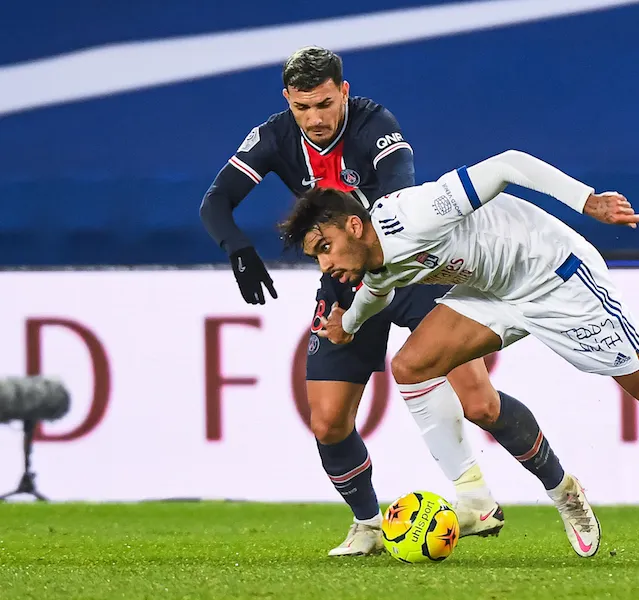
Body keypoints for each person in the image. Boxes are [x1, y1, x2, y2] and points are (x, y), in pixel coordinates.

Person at [278, 149, 639, 549]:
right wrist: (346, 327)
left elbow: (507, 165)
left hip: (557, 278)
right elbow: (375, 293)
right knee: (412, 365)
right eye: (315, 257)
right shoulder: (373, 260)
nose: (325, 263)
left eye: (324, 248)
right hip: (494, 293)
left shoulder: (414, 213)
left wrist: (586, 200)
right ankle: (508, 495)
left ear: (355, 223)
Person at [200, 48, 592, 557]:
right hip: (344, 279)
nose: (315, 119)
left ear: (342, 91)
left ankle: (562, 490)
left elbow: (398, 197)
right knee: (327, 421)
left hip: (407, 272)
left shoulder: (374, 124)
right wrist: (238, 248)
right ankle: (367, 525)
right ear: (287, 102)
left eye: (323, 104)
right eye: (303, 108)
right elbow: (216, 201)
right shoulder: (274, 136)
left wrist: (372, 250)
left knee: (480, 403)